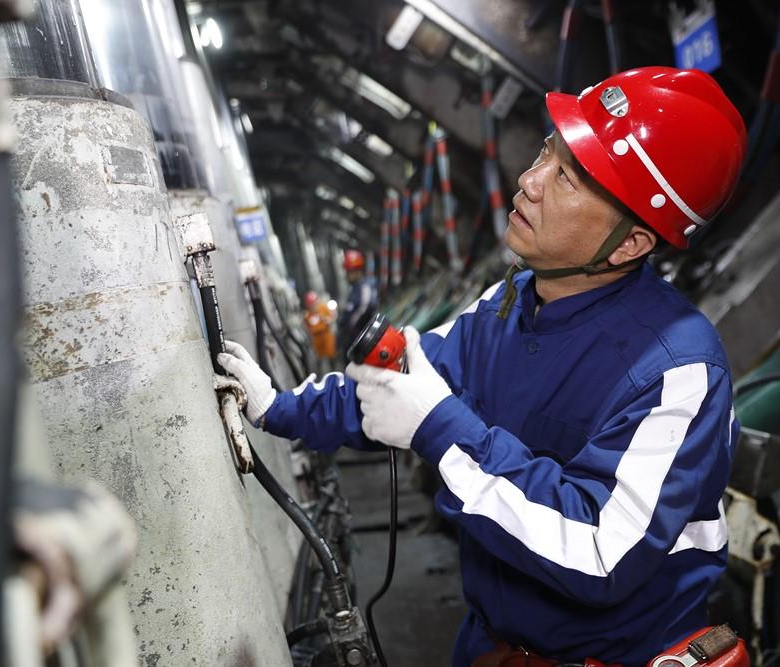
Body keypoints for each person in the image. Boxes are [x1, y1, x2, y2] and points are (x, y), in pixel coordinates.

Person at [219, 67, 747, 666]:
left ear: (630, 244)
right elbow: (402, 381)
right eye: (547, 151)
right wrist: (277, 407)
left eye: (568, 178)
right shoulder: (508, 302)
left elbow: (602, 552)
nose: (530, 181)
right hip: (491, 644)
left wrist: (439, 428)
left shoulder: (678, 370)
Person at [336, 249, 378, 355]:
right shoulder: (355, 289)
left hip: (363, 340)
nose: (346, 275)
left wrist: (349, 328)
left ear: (357, 271)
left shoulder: (364, 287)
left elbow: (365, 307)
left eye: (349, 272)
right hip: (355, 339)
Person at [302, 290, 337, 372]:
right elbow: (307, 328)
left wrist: (328, 320)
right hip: (316, 338)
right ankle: (321, 373)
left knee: (331, 356)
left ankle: (334, 370)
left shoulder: (323, 308)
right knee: (320, 359)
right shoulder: (307, 314)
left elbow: (332, 317)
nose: (313, 306)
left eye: (313, 304)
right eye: (310, 304)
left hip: (326, 335)